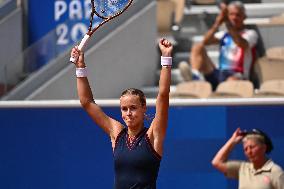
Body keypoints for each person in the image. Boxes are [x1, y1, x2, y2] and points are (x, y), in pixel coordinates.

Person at [71, 38, 173, 188]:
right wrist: (80, 66)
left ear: (143, 107)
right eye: (124, 109)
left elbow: (163, 95)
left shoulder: (153, 135)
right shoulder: (117, 133)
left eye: (133, 108)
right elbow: (87, 102)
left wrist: (166, 58)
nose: (128, 113)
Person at [179, 1, 258, 90]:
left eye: (238, 15)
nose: (234, 18)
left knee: (232, 81)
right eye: (231, 14)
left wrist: (227, 22)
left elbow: (241, 43)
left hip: (237, 75)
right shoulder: (224, 34)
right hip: (219, 74)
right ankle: (194, 76)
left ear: (244, 17)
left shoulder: (251, 34)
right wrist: (217, 23)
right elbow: (205, 41)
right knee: (198, 46)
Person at [212, 128, 284, 189]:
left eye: (252, 147)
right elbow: (216, 162)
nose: (249, 151)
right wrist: (233, 141)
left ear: (264, 148)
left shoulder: (276, 172)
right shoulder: (242, 168)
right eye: (245, 149)